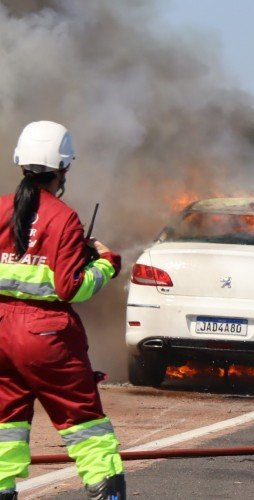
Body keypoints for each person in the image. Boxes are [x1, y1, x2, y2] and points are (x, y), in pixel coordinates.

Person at [0, 121, 125, 499]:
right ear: (64, 168)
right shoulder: (63, 217)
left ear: (20, 161)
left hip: (1, 330)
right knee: (85, 422)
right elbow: (71, 286)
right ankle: (107, 492)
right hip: (47, 336)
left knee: (5, 424)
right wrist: (105, 264)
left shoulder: (1, 207)